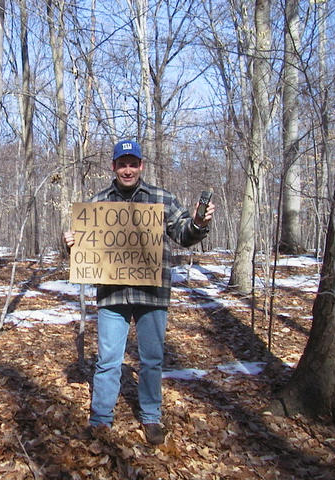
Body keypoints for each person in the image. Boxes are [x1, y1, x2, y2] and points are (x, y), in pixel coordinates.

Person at [63, 139, 215, 445]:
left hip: (153, 294)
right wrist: (68, 244)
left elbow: (184, 235)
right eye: (123, 164)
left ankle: (150, 416)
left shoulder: (162, 199)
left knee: (152, 359)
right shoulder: (97, 203)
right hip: (113, 293)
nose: (128, 169)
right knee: (108, 360)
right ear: (114, 167)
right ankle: (101, 420)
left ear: (141, 166)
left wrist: (198, 222)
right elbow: (84, 251)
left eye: (133, 163)